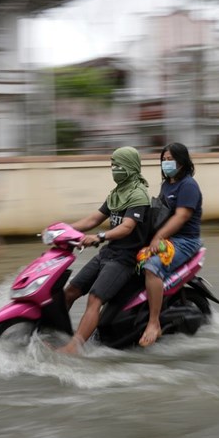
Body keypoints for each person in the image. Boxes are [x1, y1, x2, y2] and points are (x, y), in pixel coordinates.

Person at [58, 146, 151, 355]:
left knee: (94, 299)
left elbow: (127, 226)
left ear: (129, 166)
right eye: (112, 165)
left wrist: (99, 236)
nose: (114, 169)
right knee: (70, 292)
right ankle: (55, 333)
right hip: (108, 253)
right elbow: (94, 219)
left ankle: (75, 347)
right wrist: (64, 229)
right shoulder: (117, 193)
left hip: (125, 258)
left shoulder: (138, 195)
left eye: (117, 165)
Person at [138, 142, 204, 347]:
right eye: (163, 160)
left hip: (185, 241)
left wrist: (158, 237)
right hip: (167, 238)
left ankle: (153, 323)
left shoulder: (188, 186)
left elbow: (181, 216)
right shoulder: (167, 184)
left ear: (182, 162)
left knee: (152, 267)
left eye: (170, 160)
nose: (166, 164)